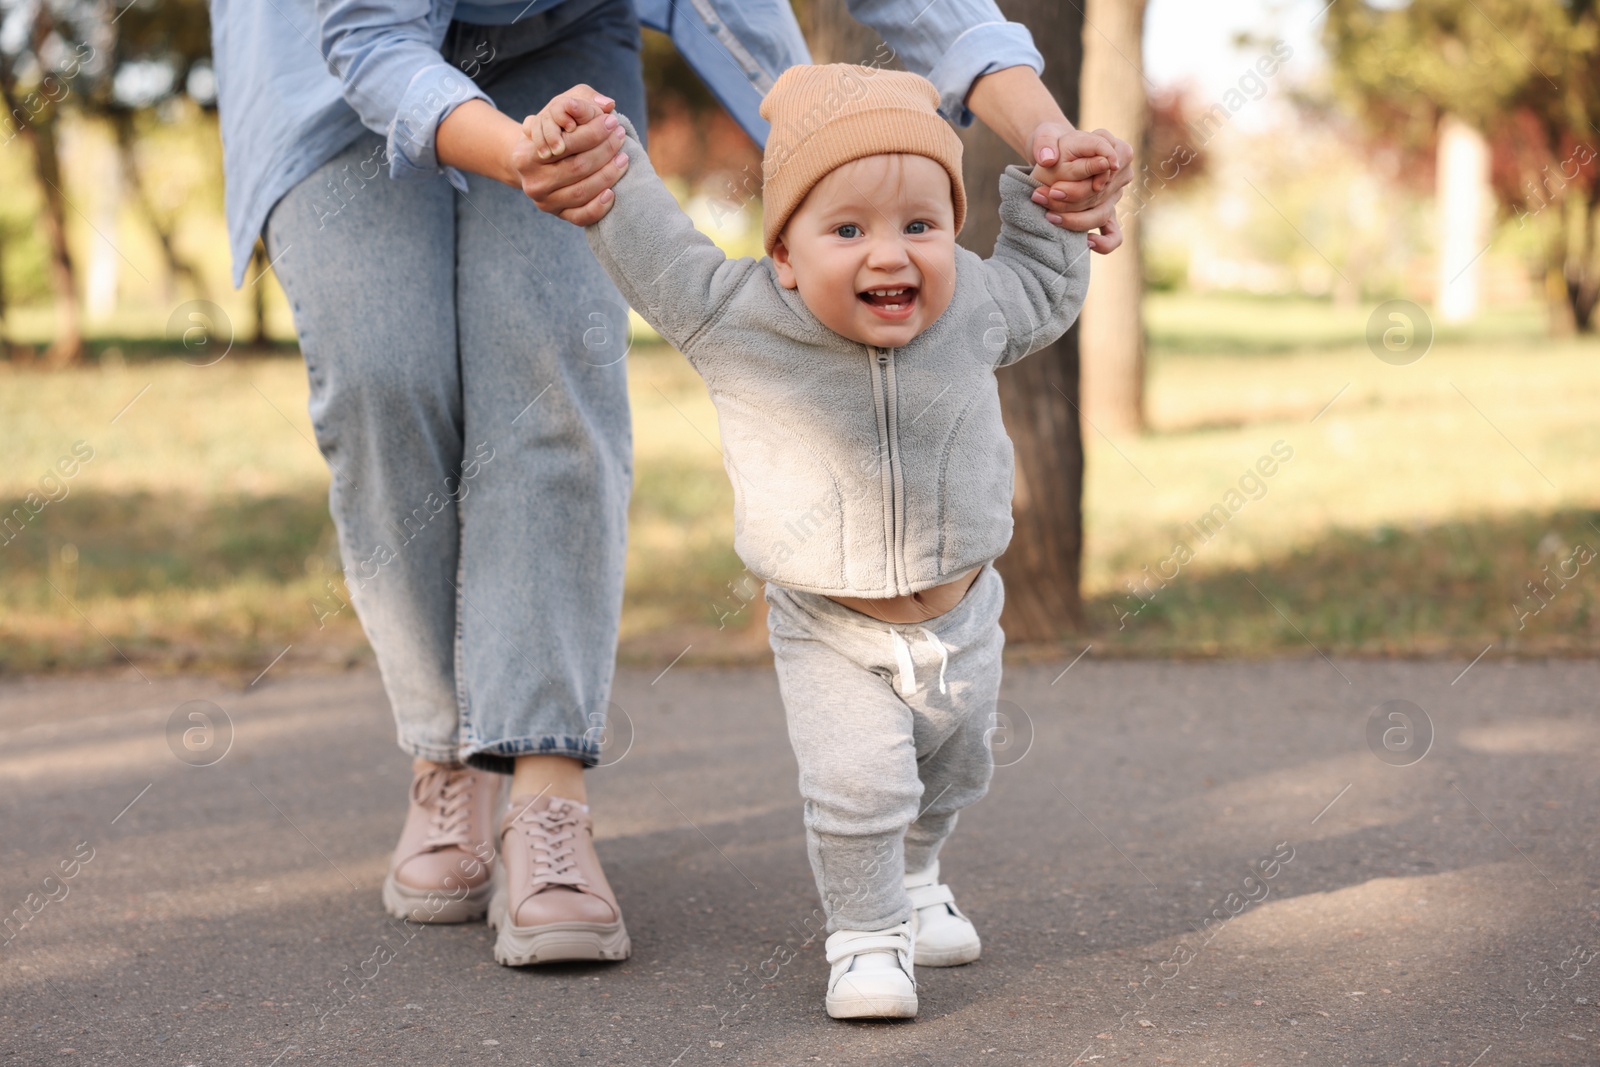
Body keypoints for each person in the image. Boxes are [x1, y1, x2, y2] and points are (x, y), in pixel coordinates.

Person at [209, 0, 1131, 968]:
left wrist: (1050, 142)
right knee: (385, 380)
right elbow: (371, 42)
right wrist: (507, 149)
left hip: (562, 37)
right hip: (330, 53)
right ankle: (448, 750)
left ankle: (545, 778)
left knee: (550, 372)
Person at [536, 61, 1089, 1016]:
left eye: (922, 225)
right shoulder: (735, 317)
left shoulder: (974, 308)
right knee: (859, 782)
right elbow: (655, 246)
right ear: (784, 252)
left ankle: (918, 877)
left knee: (957, 767)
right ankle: (867, 937)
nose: (891, 256)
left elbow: (1045, 280)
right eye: (848, 230)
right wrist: (603, 151)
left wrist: (1059, 192)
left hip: (965, 615)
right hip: (830, 623)